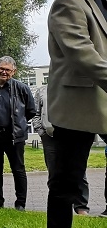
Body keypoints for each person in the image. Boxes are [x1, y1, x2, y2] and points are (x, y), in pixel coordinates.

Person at [45, 0, 107, 228]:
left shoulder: (99, 2)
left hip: (102, 101)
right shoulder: (68, 3)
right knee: (66, 183)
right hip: (76, 107)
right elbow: (84, 56)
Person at [0, 56, 36, 210]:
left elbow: (31, 110)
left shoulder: (22, 88)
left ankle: (20, 203)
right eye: (1, 68)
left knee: (18, 169)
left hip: (14, 135)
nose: (4, 72)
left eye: (7, 70)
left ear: (13, 71)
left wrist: (18, 122)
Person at [34, 84, 90, 215]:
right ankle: (59, 206)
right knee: (54, 172)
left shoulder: (73, 87)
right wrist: (42, 133)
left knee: (78, 170)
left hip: (73, 136)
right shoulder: (42, 91)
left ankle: (81, 206)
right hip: (50, 138)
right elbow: (35, 113)